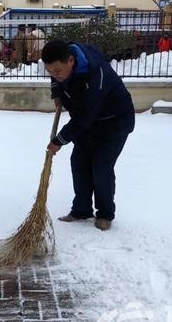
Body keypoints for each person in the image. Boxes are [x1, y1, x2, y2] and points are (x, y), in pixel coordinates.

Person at [42, 39, 135, 231]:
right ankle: (82, 210)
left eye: (58, 71)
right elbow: (56, 78)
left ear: (71, 61)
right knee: (79, 163)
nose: (54, 75)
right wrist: (56, 93)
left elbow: (83, 117)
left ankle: (105, 214)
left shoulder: (94, 76)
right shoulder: (61, 63)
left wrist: (59, 140)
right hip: (88, 122)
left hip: (114, 121)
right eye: (50, 71)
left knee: (101, 168)